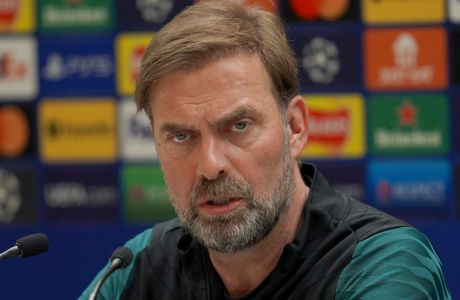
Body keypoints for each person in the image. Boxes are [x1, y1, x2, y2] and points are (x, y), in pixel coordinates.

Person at [80, 1, 451, 299]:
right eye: (181, 137)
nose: (210, 166)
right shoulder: (138, 265)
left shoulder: (384, 264)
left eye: (238, 127)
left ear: (295, 127)